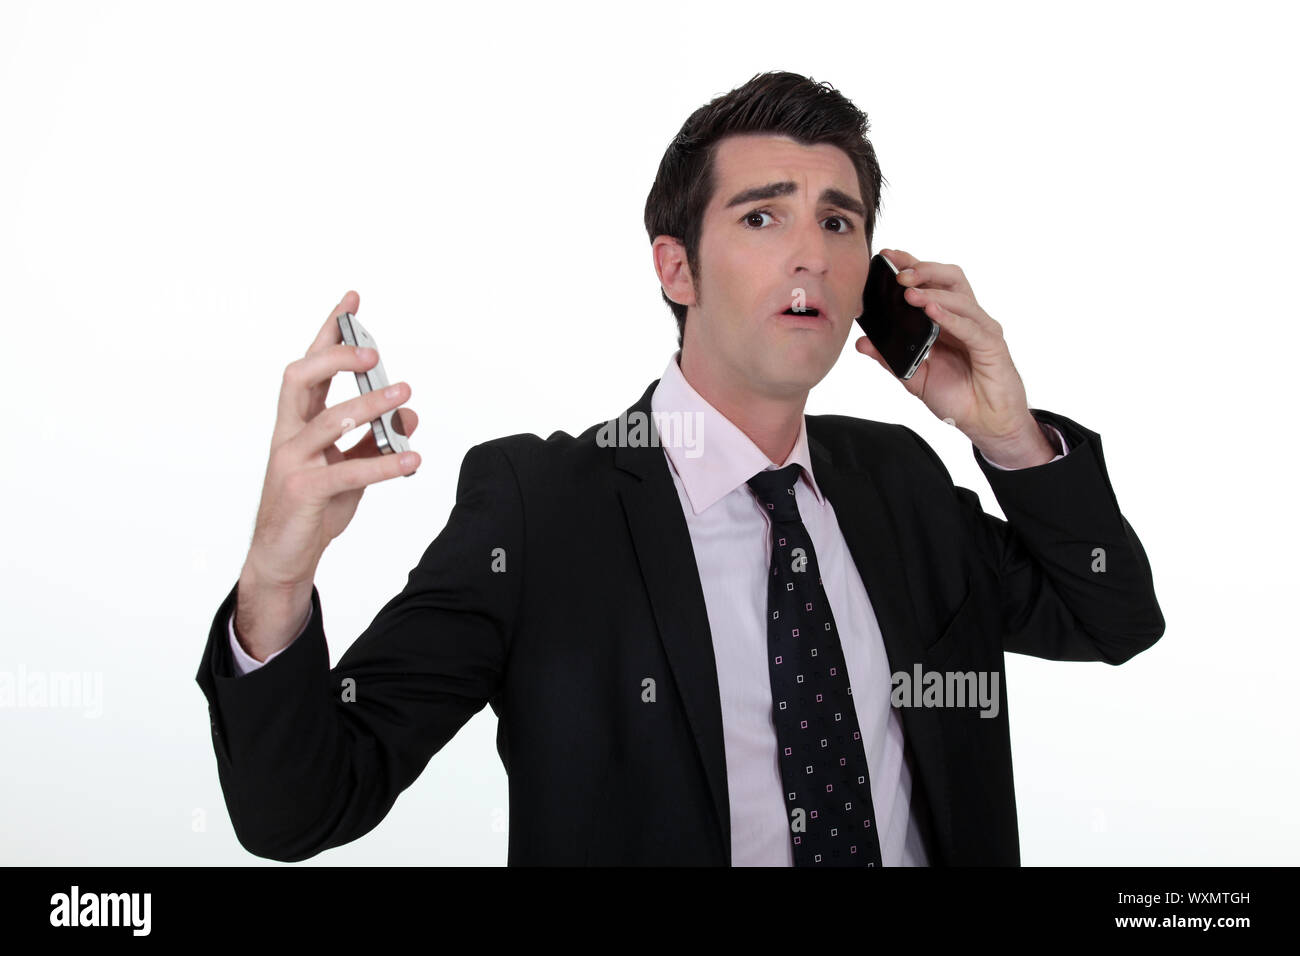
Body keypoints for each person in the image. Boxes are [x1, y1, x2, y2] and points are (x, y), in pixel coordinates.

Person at [195, 70, 1164, 866]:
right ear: (677, 269)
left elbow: (1109, 617)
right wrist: (278, 572)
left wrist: (1005, 433)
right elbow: (301, 809)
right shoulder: (541, 509)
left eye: (838, 222)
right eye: (760, 218)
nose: (810, 255)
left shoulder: (897, 477)